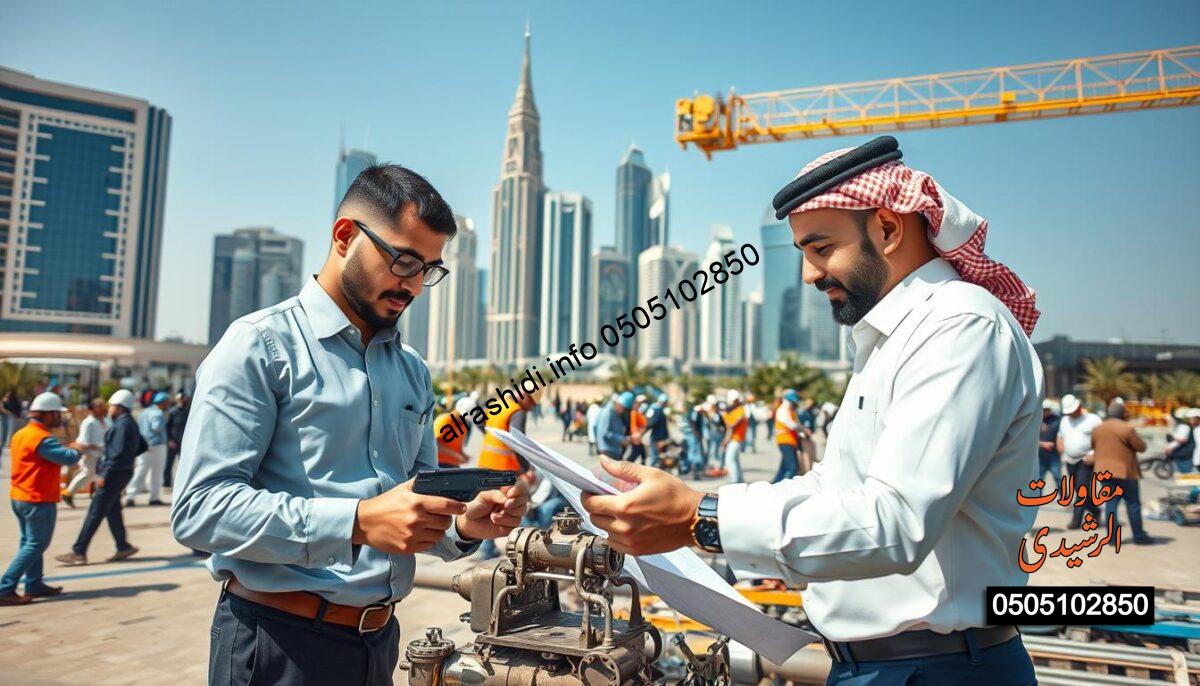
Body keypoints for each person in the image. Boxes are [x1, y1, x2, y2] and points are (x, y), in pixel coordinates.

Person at [581, 136, 1043, 684]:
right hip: (878, 666)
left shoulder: (959, 326)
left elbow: (895, 522)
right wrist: (697, 504)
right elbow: (834, 486)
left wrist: (696, 520)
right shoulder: (893, 338)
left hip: (938, 668)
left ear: (889, 229)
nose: (808, 274)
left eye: (821, 248)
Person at [170, 165, 528, 685]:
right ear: (344, 237)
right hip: (277, 643)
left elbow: (411, 508)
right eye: (404, 261)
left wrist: (468, 522)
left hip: (380, 643)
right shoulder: (260, 345)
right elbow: (199, 511)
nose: (413, 286)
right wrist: (357, 521)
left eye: (428, 269)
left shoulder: (411, 370)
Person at [1, 392, 83, 605]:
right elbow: (68, 457)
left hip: (20, 495)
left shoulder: (22, 433)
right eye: (57, 414)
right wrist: (77, 447)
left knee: (29, 542)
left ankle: (34, 583)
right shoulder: (41, 438)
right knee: (36, 543)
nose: (59, 419)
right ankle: (5, 587)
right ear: (47, 415)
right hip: (37, 498)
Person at [56, 389, 143, 566]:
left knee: (95, 512)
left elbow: (116, 454)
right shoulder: (128, 423)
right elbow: (142, 445)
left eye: (111, 406)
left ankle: (78, 551)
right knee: (113, 510)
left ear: (120, 407)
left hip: (113, 474)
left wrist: (105, 473)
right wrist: (128, 458)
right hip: (122, 472)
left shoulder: (122, 425)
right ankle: (123, 545)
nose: (109, 409)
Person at [1091, 400, 1153, 545]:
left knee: (1110, 504)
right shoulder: (1127, 429)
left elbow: (1093, 445)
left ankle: (1112, 538)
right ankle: (1138, 536)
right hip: (1125, 472)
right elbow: (1141, 447)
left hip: (1104, 472)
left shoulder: (1097, 429)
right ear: (1123, 414)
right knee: (1133, 504)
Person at [1057, 393, 1102, 529]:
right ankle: (1095, 510)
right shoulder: (1064, 421)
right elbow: (1060, 436)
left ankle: (1076, 521)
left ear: (1079, 407)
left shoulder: (1093, 419)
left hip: (1086, 460)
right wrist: (1061, 447)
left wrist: (1095, 454)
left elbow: (1103, 439)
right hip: (1069, 461)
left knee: (1082, 490)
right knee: (1080, 490)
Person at [124, 391, 170, 506]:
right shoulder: (158, 414)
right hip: (157, 445)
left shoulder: (144, 412)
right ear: (162, 403)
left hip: (143, 445)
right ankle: (154, 497)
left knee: (140, 471)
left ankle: (130, 495)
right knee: (157, 473)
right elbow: (157, 428)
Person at [62, 397, 109, 509]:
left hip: (102, 453)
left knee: (99, 475)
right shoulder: (89, 422)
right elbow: (83, 441)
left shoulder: (104, 421)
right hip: (91, 453)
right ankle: (68, 493)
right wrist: (93, 447)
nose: (103, 409)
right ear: (93, 409)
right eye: (100, 407)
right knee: (88, 474)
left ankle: (98, 496)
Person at [434, 396, 476, 467]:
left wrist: (463, 455)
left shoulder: (463, 425)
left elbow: (457, 446)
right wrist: (456, 455)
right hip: (439, 464)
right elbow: (434, 443)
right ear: (457, 410)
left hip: (454, 464)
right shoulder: (444, 420)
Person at [772, 390, 803, 482]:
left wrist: (801, 430)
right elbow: (792, 425)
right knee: (792, 467)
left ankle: (774, 485)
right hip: (785, 441)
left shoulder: (790, 410)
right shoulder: (783, 410)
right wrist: (803, 428)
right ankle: (784, 488)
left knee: (784, 468)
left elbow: (796, 424)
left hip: (790, 441)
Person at [719, 391, 748, 483]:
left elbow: (731, 424)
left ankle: (735, 481)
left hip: (736, 439)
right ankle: (739, 480)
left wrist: (725, 415)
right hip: (734, 439)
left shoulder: (739, 410)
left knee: (730, 460)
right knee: (735, 460)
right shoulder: (736, 410)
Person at [163, 392, 191, 488]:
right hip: (173, 442)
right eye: (182, 399)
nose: (184, 401)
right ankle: (166, 482)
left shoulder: (188, 412)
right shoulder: (172, 412)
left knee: (183, 463)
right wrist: (169, 440)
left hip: (184, 442)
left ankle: (182, 482)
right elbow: (166, 427)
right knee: (169, 463)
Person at [594, 393, 633, 461]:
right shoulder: (607, 412)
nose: (623, 411)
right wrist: (621, 439)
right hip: (608, 450)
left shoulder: (615, 412)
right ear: (619, 404)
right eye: (623, 408)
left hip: (614, 449)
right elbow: (604, 433)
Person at [1037, 398, 1063, 492]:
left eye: (1047, 409)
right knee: (1039, 480)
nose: (1045, 412)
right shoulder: (1035, 421)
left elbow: (1061, 434)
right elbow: (1029, 438)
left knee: (1058, 478)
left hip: (1054, 455)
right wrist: (1042, 444)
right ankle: (1037, 502)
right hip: (1040, 456)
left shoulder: (1057, 420)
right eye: (1043, 410)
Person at [1164, 407, 1195, 474]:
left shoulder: (1184, 426)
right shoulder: (1188, 425)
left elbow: (1182, 439)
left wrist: (1169, 447)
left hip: (1184, 455)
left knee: (1187, 477)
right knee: (1187, 476)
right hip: (1187, 454)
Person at [643, 395, 669, 468]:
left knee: (661, 456)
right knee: (654, 456)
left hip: (661, 437)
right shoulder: (655, 409)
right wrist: (642, 433)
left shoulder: (660, 409)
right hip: (656, 437)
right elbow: (650, 423)